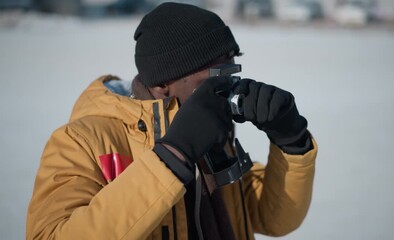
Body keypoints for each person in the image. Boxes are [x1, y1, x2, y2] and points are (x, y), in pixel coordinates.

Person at [26, 2, 317, 240]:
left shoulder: (214, 136)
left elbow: (274, 218)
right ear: (165, 81)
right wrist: (173, 155)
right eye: (219, 72)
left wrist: (291, 138)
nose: (230, 81)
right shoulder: (82, 142)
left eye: (233, 66)